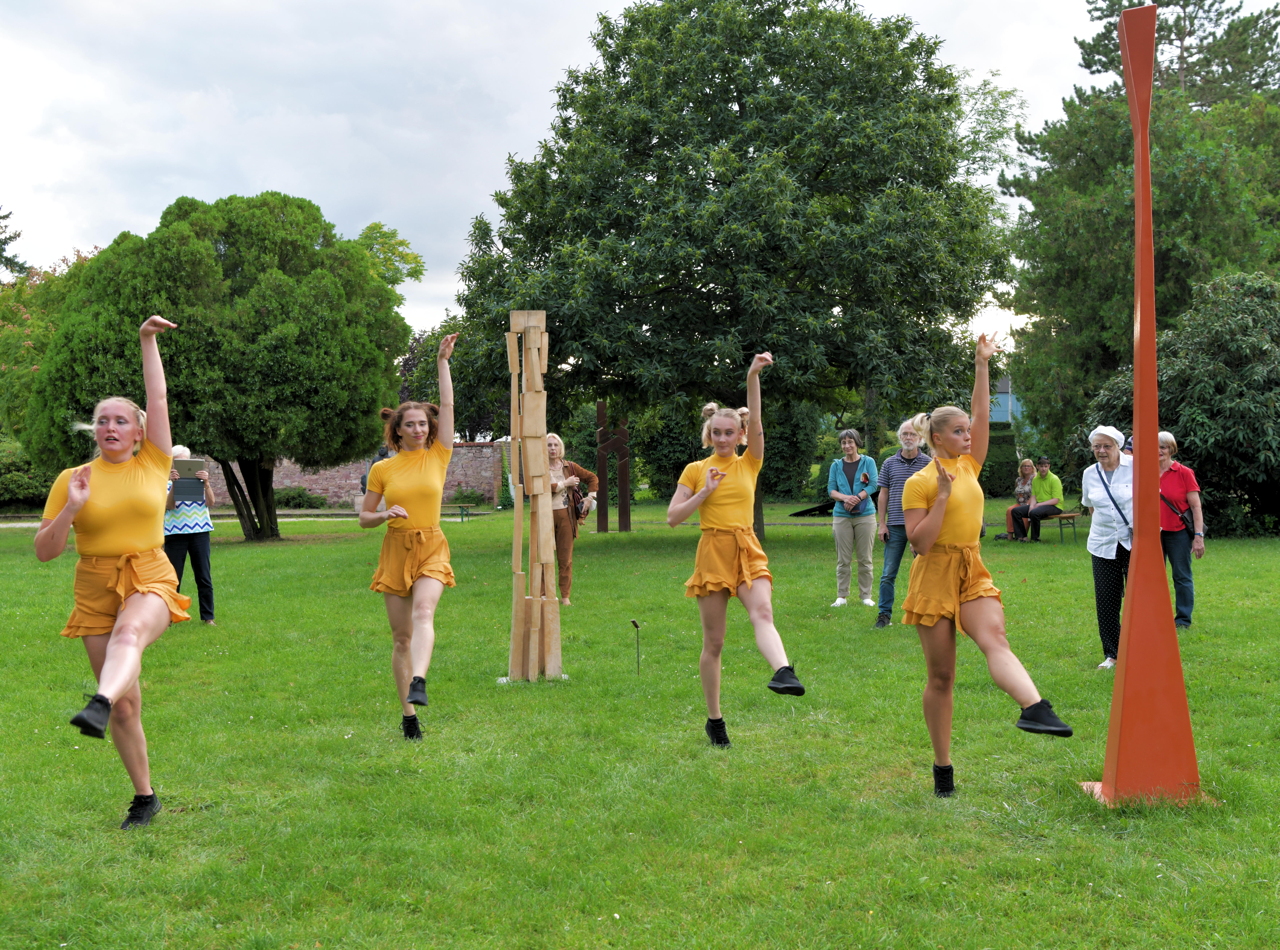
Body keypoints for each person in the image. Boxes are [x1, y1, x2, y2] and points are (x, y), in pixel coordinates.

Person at [35, 316, 191, 829]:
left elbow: (160, 398)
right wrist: (71, 510)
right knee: (128, 710)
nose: (110, 428)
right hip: (93, 582)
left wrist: (147, 340)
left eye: (120, 421)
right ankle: (145, 797)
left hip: (148, 571)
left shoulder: (155, 462)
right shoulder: (72, 479)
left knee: (129, 637)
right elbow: (44, 551)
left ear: (139, 431)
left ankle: (97, 698)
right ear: (94, 430)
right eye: (102, 421)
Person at [901, 334, 1072, 798]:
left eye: (968, 433)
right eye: (958, 433)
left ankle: (1034, 706)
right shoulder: (919, 483)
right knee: (941, 678)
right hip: (934, 571)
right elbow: (918, 544)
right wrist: (939, 497)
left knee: (994, 636)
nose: (968, 436)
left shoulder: (970, 466)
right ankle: (943, 769)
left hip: (972, 567)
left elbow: (980, 415)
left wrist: (981, 365)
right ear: (937, 438)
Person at [667, 355, 805, 749]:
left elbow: (759, 422)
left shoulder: (750, 463)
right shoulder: (696, 470)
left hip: (747, 547)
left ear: (741, 435)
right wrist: (705, 492)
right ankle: (715, 720)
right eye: (718, 433)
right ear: (709, 435)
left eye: (731, 432)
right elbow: (673, 518)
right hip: (712, 550)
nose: (725, 438)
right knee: (715, 644)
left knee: (762, 611)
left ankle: (783, 671)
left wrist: (752, 376)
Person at [359, 333, 458, 741]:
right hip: (395, 548)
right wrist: (384, 515)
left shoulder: (439, 455)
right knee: (401, 638)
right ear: (397, 431)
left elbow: (448, 405)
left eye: (423, 423)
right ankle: (409, 716)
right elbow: (363, 518)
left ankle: (420, 680)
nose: (419, 429)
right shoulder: (383, 469)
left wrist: (441, 362)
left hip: (432, 543)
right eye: (411, 424)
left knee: (424, 615)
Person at [1079, 426, 1133, 669]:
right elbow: (1090, 506)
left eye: (1106, 446)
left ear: (1118, 446)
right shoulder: (1089, 473)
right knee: (1106, 600)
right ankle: (1112, 654)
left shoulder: (1136, 467)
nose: (1101, 451)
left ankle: (1141, 649)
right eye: (1097, 446)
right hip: (1103, 544)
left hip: (1135, 543)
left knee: (1139, 599)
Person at [873, 419, 931, 627]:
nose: (908, 437)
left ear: (920, 439)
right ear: (899, 437)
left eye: (913, 434)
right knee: (888, 573)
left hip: (920, 527)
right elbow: (883, 495)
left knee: (923, 572)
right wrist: (881, 523)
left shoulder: (928, 463)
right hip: (895, 525)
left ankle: (923, 613)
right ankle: (884, 615)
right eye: (905, 434)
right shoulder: (889, 463)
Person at [164, 445, 217, 625]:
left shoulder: (200, 481)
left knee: (203, 576)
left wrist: (207, 484)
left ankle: (208, 617)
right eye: (178, 462)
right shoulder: (165, 482)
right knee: (173, 577)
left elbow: (211, 502)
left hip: (200, 532)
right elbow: (169, 506)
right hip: (175, 533)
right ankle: (169, 616)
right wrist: (174, 485)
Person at [1158, 431, 1205, 628]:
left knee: (1182, 575)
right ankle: (1156, 616)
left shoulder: (1184, 472)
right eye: (1154, 447)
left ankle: (1183, 620)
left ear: (1171, 449)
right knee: (1153, 577)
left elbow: (1195, 506)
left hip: (1177, 532)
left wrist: (1198, 536)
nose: (1159, 451)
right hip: (1152, 533)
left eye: (1163, 447)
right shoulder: (1142, 472)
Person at [827, 428, 879, 608]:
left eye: (850, 442)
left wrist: (857, 497)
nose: (847, 445)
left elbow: (873, 484)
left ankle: (866, 595)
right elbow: (831, 490)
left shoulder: (868, 462)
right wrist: (845, 498)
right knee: (843, 559)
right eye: (843, 442)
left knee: (865, 558)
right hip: (842, 516)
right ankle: (842, 596)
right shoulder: (836, 466)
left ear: (857, 443)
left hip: (865, 515)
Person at [547, 432, 599, 606]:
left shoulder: (569, 466)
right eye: (549, 445)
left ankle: (565, 596)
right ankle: (544, 595)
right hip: (543, 517)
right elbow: (537, 488)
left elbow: (592, 478)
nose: (552, 448)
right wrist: (564, 484)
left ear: (561, 447)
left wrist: (590, 497)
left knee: (565, 558)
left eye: (555, 445)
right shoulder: (538, 467)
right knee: (543, 558)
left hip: (566, 517)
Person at [1010, 456, 1063, 543]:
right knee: (1015, 511)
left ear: (1049, 466)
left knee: (1035, 512)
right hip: (1040, 505)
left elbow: (1056, 500)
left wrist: (1037, 505)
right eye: (1041, 466)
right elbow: (1033, 496)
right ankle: (1022, 537)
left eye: (1045, 466)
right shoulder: (1035, 479)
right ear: (1037, 466)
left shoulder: (1054, 479)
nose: (1043, 469)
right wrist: (1031, 506)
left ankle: (1035, 539)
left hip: (1055, 506)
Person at [994, 459, 1035, 540]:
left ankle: (1022, 535)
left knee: (1021, 512)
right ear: (1021, 468)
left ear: (1032, 468)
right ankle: (1010, 535)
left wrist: (1027, 504)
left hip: (1030, 504)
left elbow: (1035, 494)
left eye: (1028, 466)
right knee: (1010, 510)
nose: (1026, 468)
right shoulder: (1018, 480)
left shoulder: (1035, 479)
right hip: (1019, 503)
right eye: (1024, 466)